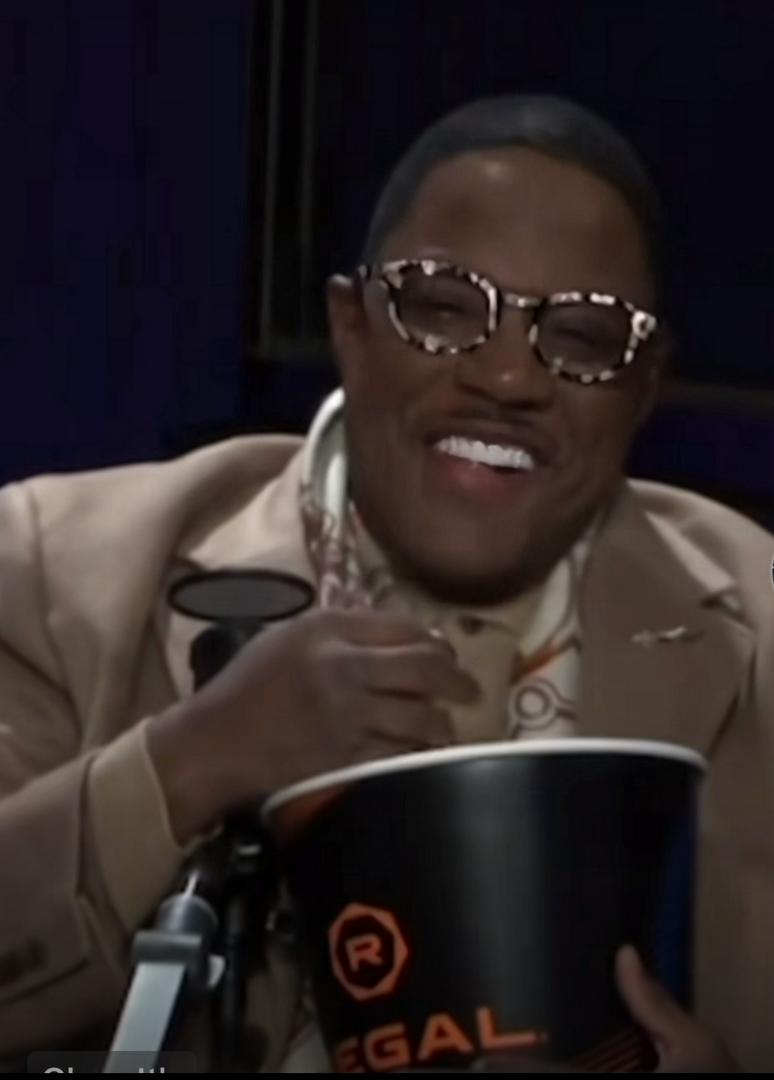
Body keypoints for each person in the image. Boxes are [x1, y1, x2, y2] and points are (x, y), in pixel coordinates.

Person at [0, 94, 771, 1072]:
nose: (507, 378)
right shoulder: (58, 567)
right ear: (351, 327)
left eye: (584, 337)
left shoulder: (760, 622)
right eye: (443, 308)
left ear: (645, 386)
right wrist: (190, 762)